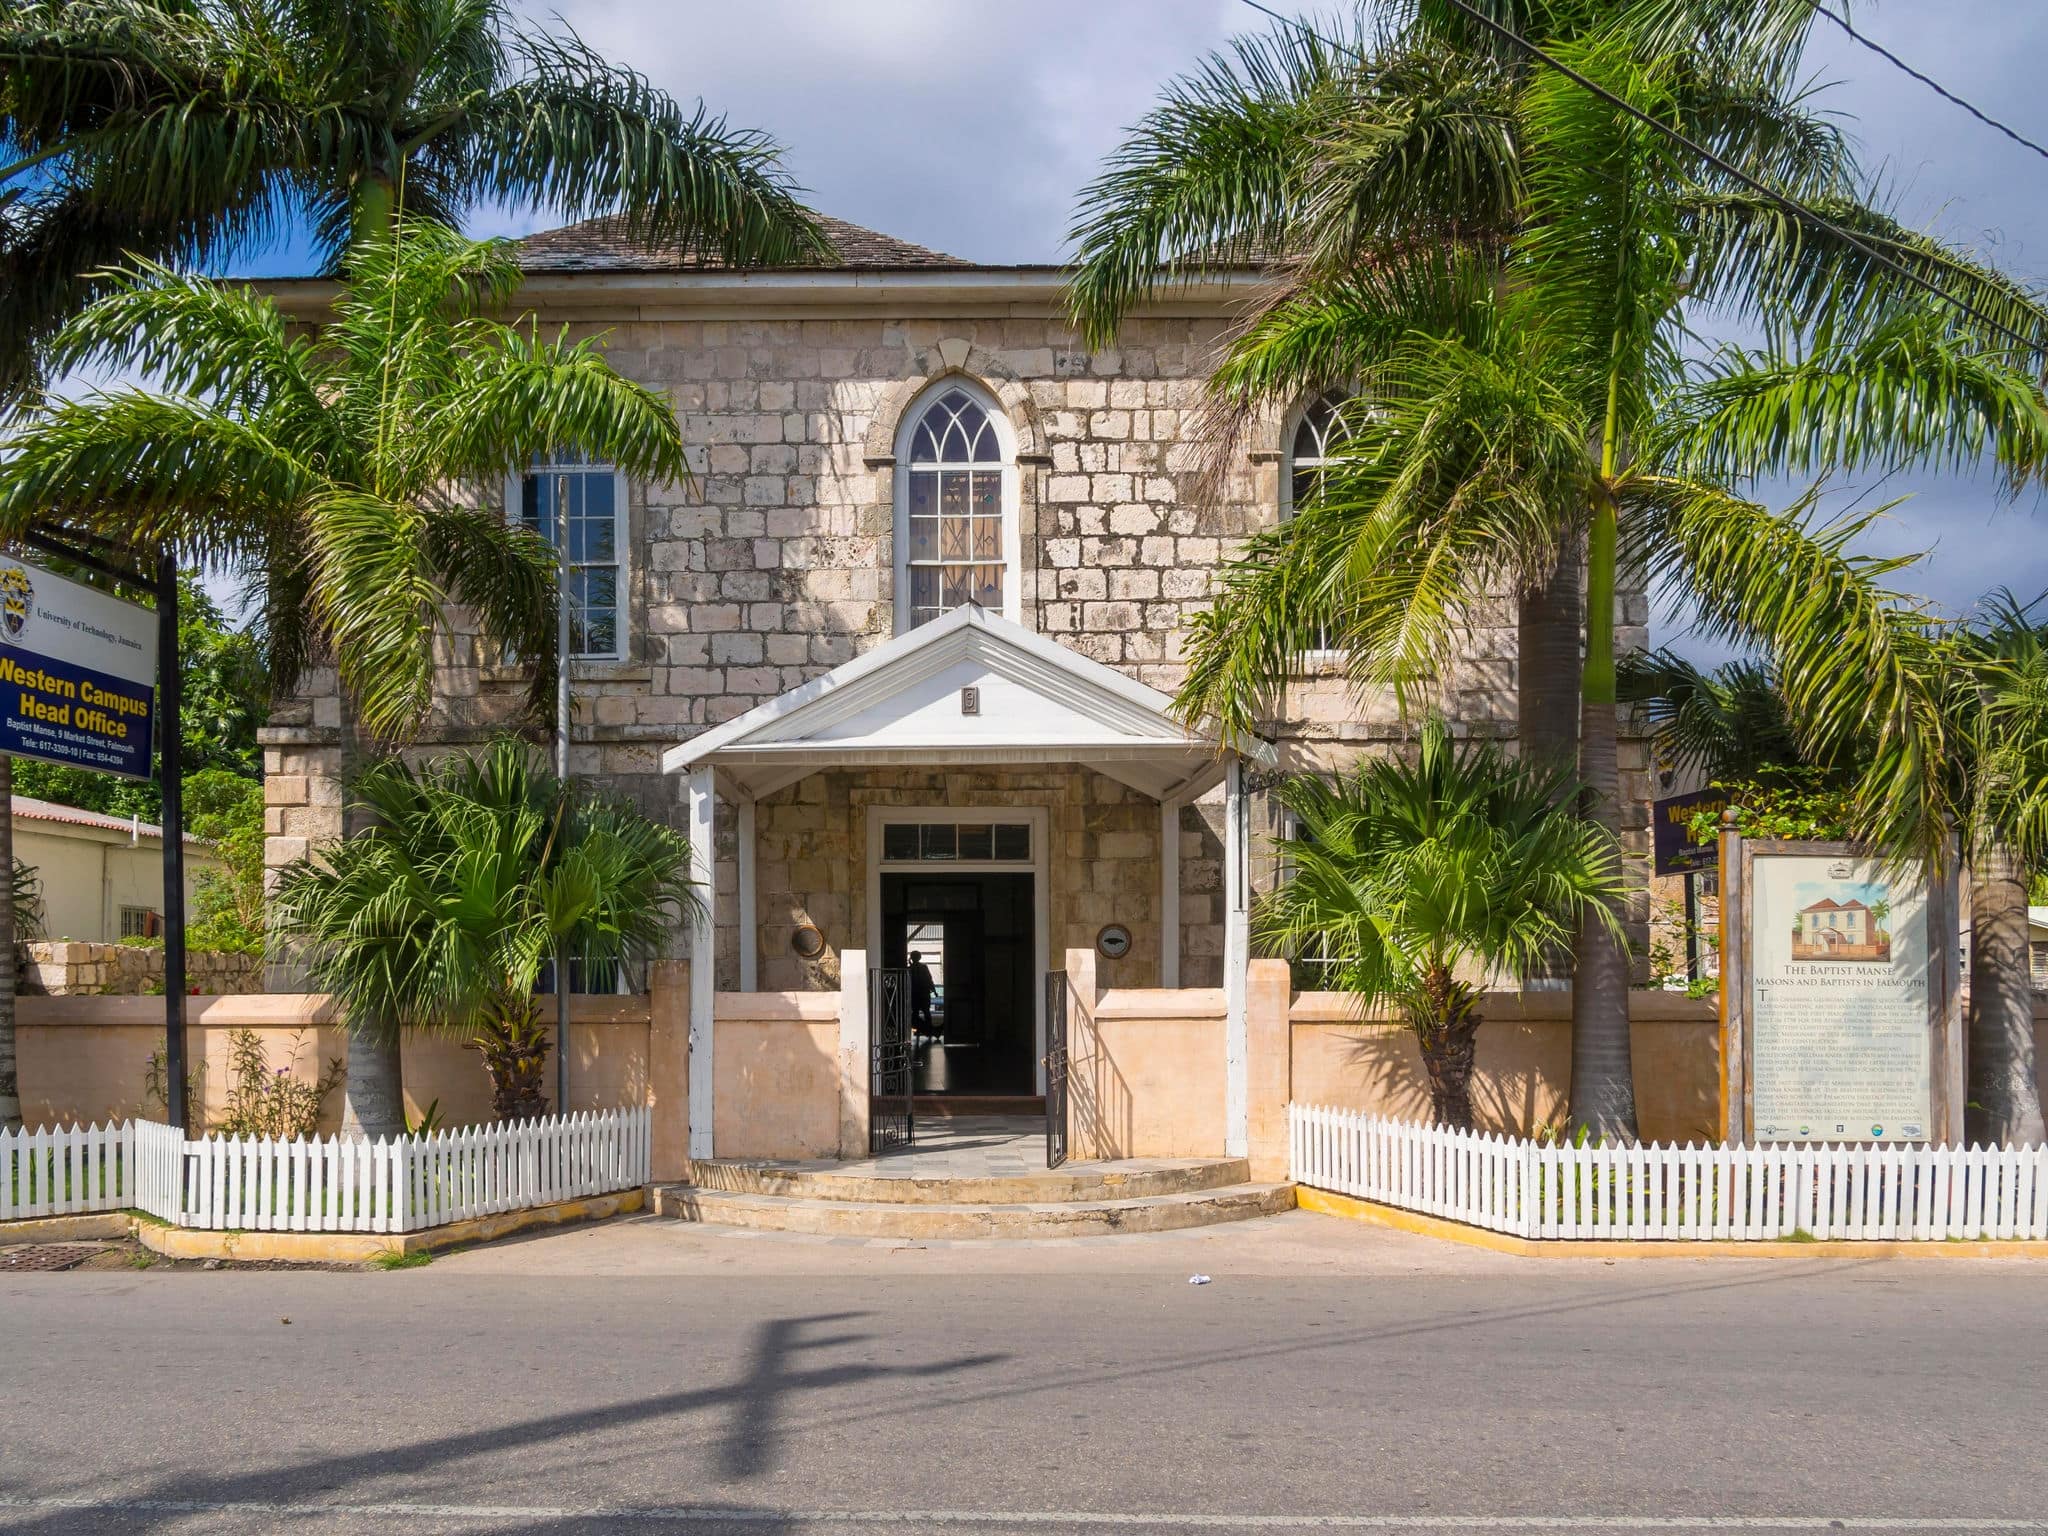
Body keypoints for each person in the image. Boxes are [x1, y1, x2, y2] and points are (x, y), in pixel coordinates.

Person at [909, 950, 936, 1038]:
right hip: (924, 993)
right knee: (926, 1013)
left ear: (912, 958)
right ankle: (929, 1030)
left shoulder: (909, 968)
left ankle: (918, 1030)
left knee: (915, 1013)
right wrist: (934, 990)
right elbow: (929, 979)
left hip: (914, 994)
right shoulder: (924, 967)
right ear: (920, 957)